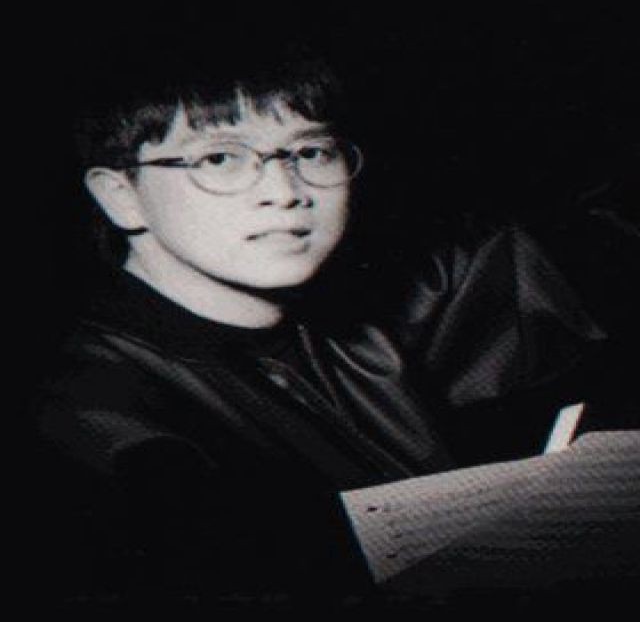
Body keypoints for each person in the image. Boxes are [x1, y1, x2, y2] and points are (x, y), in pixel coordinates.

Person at [26, 37, 639, 613]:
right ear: (120, 195)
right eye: (220, 157)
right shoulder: (86, 419)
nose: (284, 190)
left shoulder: (376, 316)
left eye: (310, 152)